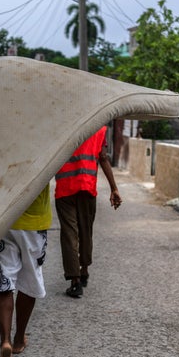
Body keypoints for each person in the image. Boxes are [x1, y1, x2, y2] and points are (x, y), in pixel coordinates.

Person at [0, 184, 51, 357]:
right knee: (29, 280)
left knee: (5, 278)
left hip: (4, 217)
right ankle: (17, 340)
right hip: (35, 221)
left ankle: (5, 342)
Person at [55, 126, 122, 299]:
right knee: (86, 231)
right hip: (87, 186)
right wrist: (114, 188)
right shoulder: (100, 128)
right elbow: (104, 158)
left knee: (70, 233)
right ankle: (84, 270)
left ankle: (75, 281)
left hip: (65, 188)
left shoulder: (61, 126)